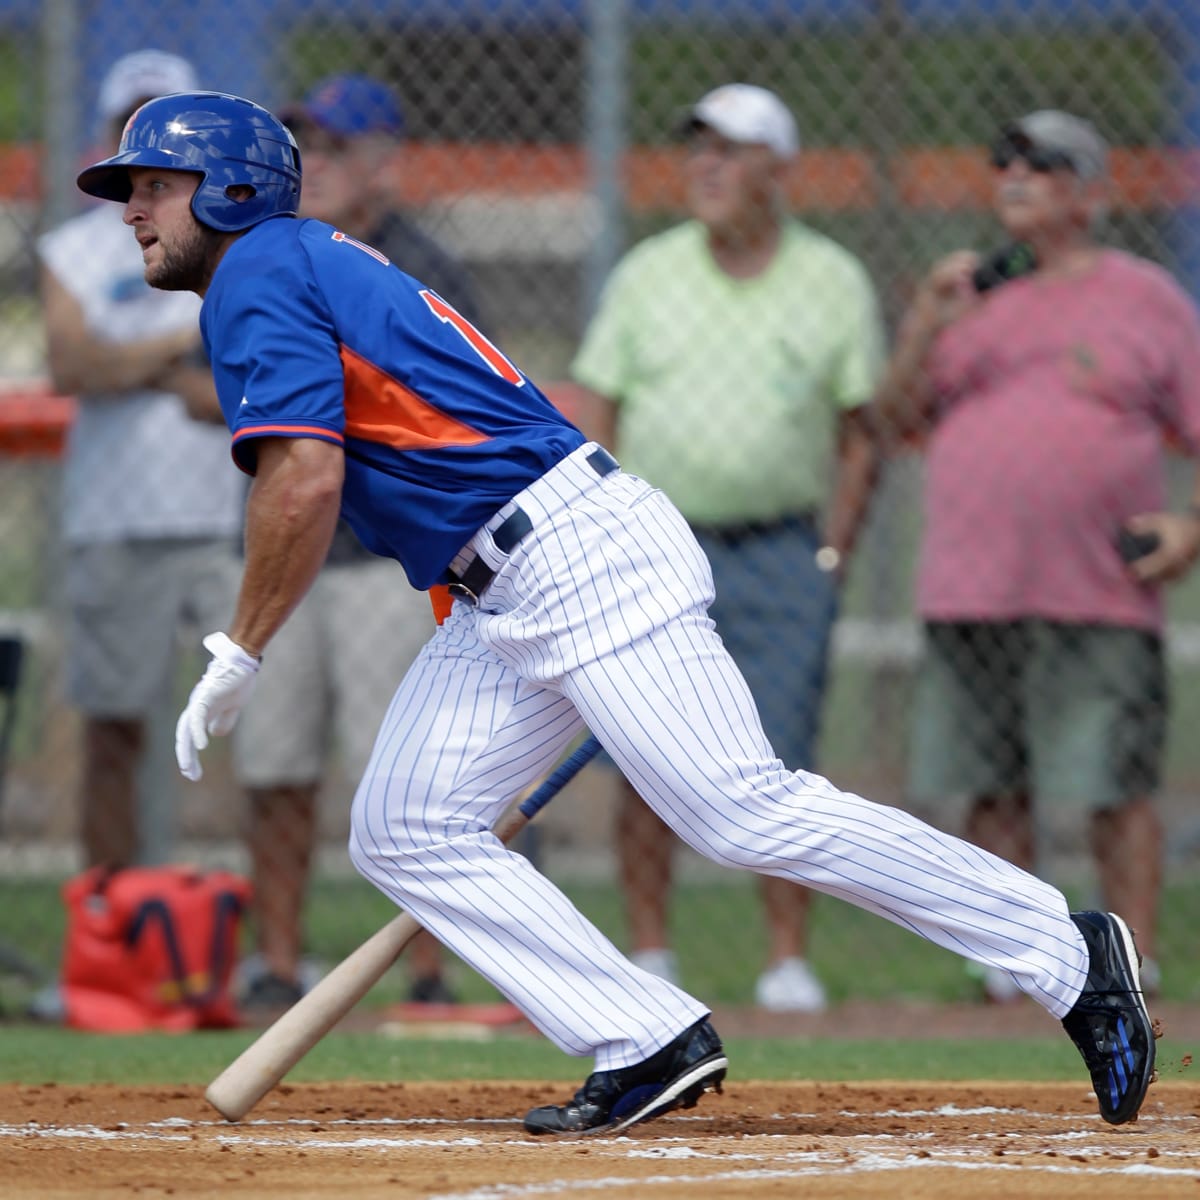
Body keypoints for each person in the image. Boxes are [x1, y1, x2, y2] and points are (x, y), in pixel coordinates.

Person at [78, 91, 1157, 1134]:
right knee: (404, 824)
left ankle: (1064, 947)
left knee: (739, 809)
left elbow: (305, 480)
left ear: (228, 189)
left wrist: (242, 645)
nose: (131, 209)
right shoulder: (298, 260)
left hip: (574, 554)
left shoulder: (257, 268)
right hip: (506, 580)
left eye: (154, 186)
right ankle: (642, 1034)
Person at [569, 83, 883, 1013]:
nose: (707, 164)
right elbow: (600, 407)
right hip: (655, 550)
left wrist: (832, 553)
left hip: (783, 550)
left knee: (781, 761)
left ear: (778, 171)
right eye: (698, 145)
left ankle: (786, 960)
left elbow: (862, 428)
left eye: (733, 149)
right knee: (641, 747)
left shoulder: (832, 278)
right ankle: (651, 952)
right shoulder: (648, 273)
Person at [876, 110, 1200, 1003]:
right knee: (991, 785)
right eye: (1005, 161)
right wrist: (925, 322)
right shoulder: (966, 298)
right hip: (973, 584)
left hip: (1099, 586)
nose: (1015, 175)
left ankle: (1132, 959)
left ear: (1091, 194)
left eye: (1044, 164)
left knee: (1113, 786)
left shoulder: (1147, 299)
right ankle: (1017, 963)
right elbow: (893, 419)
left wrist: (1189, 529)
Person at [205, 74, 485, 1010]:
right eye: (302, 146)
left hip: (388, 564)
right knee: (278, 768)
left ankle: (429, 977)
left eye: (333, 146)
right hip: (290, 555)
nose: (312, 163)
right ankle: (278, 964)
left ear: (383, 163)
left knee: (405, 778)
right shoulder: (253, 255)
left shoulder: (419, 261)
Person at [38, 51, 241, 873]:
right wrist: (181, 349)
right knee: (114, 728)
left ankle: (217, 930)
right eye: (134, 125)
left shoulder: (232, 243)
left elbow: (239, 389)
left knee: (242, 737)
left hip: (224, 520)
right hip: (115, 522)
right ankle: (111, 924)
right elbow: (70, 368)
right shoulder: (75, 248)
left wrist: (130, 365)